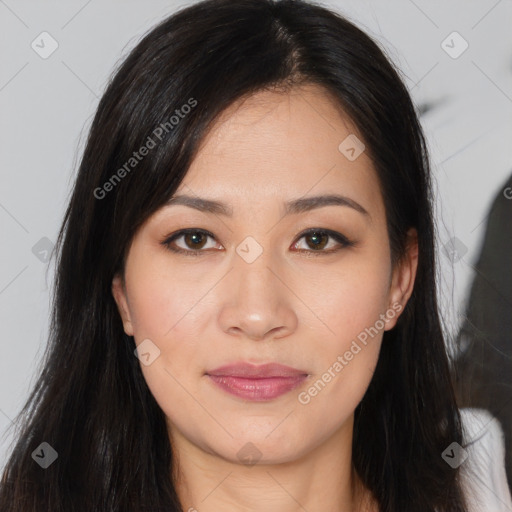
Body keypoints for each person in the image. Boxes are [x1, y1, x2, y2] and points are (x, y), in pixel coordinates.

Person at [0, 0, 507, 510]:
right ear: (122, 290)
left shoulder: (484, 488)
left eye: (317, 239)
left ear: (400, 279)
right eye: (195, 239)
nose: (258, 314)